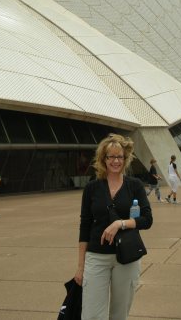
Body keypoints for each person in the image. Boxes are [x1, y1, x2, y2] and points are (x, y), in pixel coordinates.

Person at [74, 133, 153, 320]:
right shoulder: (92, 188)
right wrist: (80, 267)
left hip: (126, 257)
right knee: (92, 315)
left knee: (119, 315)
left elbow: (147, 219)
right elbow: (84, 226)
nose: (116, 161)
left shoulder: (135, 185)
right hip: (96, 256)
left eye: (120, 156)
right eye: (111, 156)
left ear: (125, 159)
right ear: (103, 159)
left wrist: (120, 223)